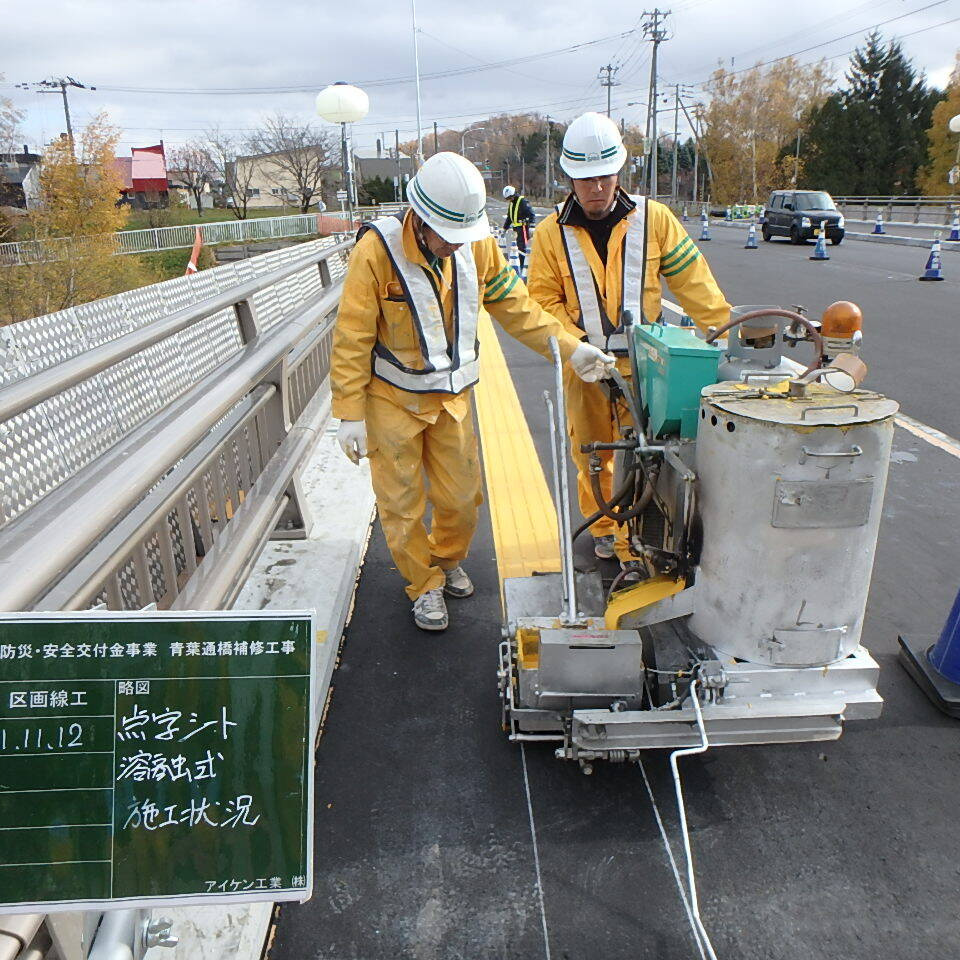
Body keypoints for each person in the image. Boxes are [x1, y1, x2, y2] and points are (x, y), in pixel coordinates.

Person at [332, 152, 614, 632]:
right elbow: (353, 334)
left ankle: (445, 560)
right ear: (419, 219)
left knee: (462, 500)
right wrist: (349, 412)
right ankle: (423, 585)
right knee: (401, 504)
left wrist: (572, 349)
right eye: (446, 234)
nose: (452, 246)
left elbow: (517, 307)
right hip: (392, 400)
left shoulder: (476, 246)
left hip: (451, 400)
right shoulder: (375, 252)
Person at [526, 112, 731, 570]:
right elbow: (540, 302)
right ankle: (604, 528)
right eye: (585, 179)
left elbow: (694, 282)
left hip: (647, 368)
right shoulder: (549, 235)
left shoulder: (653, 220)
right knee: (594, 453)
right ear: (569, 179)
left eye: (604, 176)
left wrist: (725, 333)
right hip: (585, 367)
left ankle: (640, 534)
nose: (596, 188)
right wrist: (575, 346)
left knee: (648, 454)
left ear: (618, 172)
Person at [502, 185, 536, 270]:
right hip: (516, 229)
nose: (509, 200)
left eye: (510, 198)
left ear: (513, 195)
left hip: (523, 228)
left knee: (523, 247)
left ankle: (525, 266)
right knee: (519, 247)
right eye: (508, 199)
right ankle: (521, 264)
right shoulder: (512, 204)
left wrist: (532, 226)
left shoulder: (522, 201)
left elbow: (531, 213)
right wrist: (504, 228)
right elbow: (510, 217)